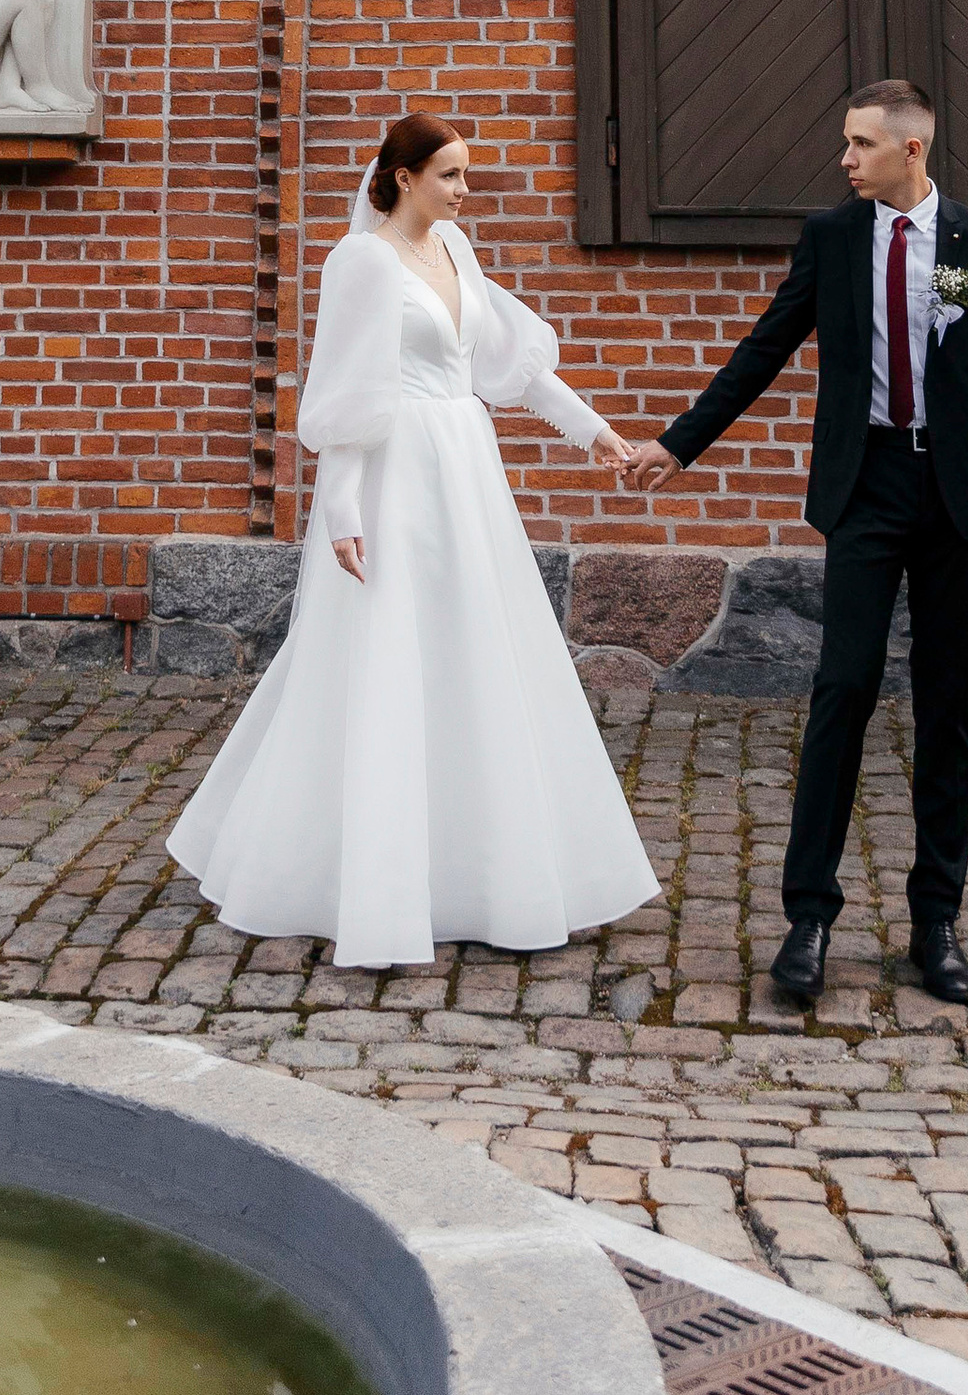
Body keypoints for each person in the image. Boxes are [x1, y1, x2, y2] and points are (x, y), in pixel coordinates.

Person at [624, 78, 968, 1012]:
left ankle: (934, 922)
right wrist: (679, 444)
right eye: (845, 143)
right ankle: (809, 917)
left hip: (954, 499)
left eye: (860, 144)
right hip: (865, 489)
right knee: (842, 690)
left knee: (946, 708)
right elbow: (765, 347)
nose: (845, 159)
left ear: (911, 150)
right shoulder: (833, 239)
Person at [168, 111, 659, 970]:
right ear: (403, 179)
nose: (465, 192)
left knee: (476, 652)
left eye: (466, 176)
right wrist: (343, 514)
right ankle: (361, 877)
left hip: (466, 473)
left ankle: (483, 872)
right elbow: (350, 397)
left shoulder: (456, 252)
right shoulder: (360, 263)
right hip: (396, 477)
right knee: (384, 656)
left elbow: (511, 364)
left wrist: (598, 434)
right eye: (451, 176)